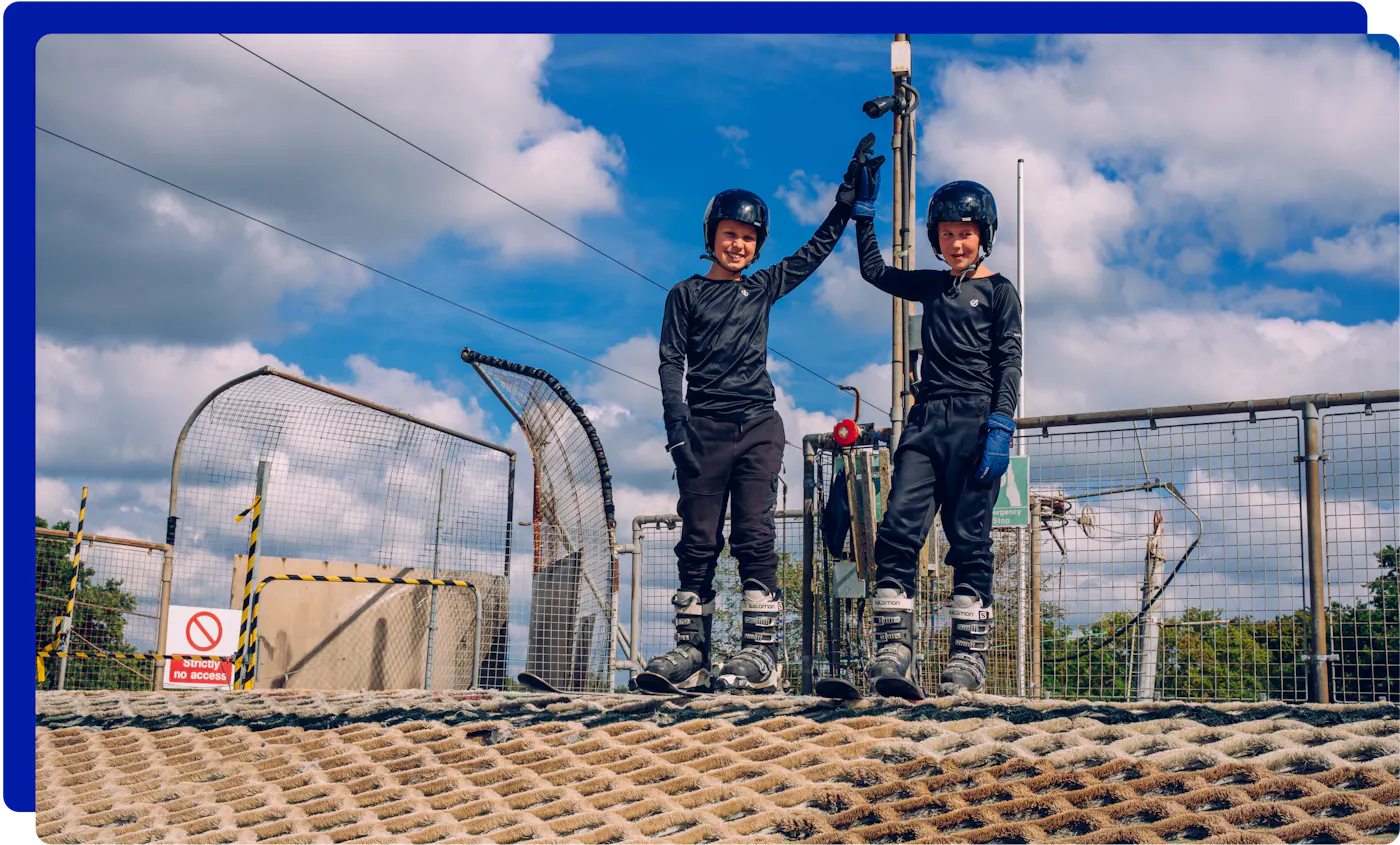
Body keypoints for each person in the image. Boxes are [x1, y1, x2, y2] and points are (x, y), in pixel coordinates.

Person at [640, 134, 885, 695]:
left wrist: (845, 203)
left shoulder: (763, 288)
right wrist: (676, 422)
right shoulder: (684, 294)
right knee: (699, 538)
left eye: (749, 239)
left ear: (757, 245)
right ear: (711, 236)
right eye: (730, 235)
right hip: (701, 429)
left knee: (753, 531)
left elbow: (816, 250)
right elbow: (670, 359)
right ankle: (692, 650)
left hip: (757, 425)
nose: (739, 246)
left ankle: (761, 654)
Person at [851, 165, 1023, 699]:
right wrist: (863, 213)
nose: (955, 242)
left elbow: (1010, 360)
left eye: (965, 233)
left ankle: (967, 657)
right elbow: (875, 272)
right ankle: (894, 649)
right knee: (898, 530)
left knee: (970, 539)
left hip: (976, 423)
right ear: (935, 238)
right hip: (925, 420)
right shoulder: (929, 285)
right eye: (946, 233)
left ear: (984, 236)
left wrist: (1001, 423)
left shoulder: (1000, 291)